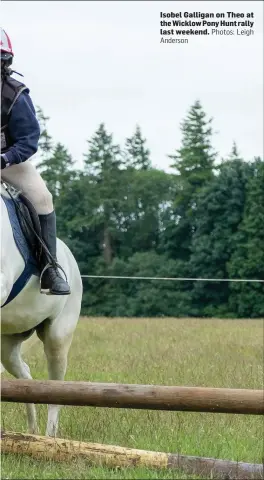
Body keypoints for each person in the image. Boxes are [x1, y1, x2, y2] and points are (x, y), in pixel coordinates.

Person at [1, 27, 71, 295]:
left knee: (43, 198)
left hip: (10, 162)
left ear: (3, 63)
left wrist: (4, 159)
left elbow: (28, 141)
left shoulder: (16, 95)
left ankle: (49, 270)